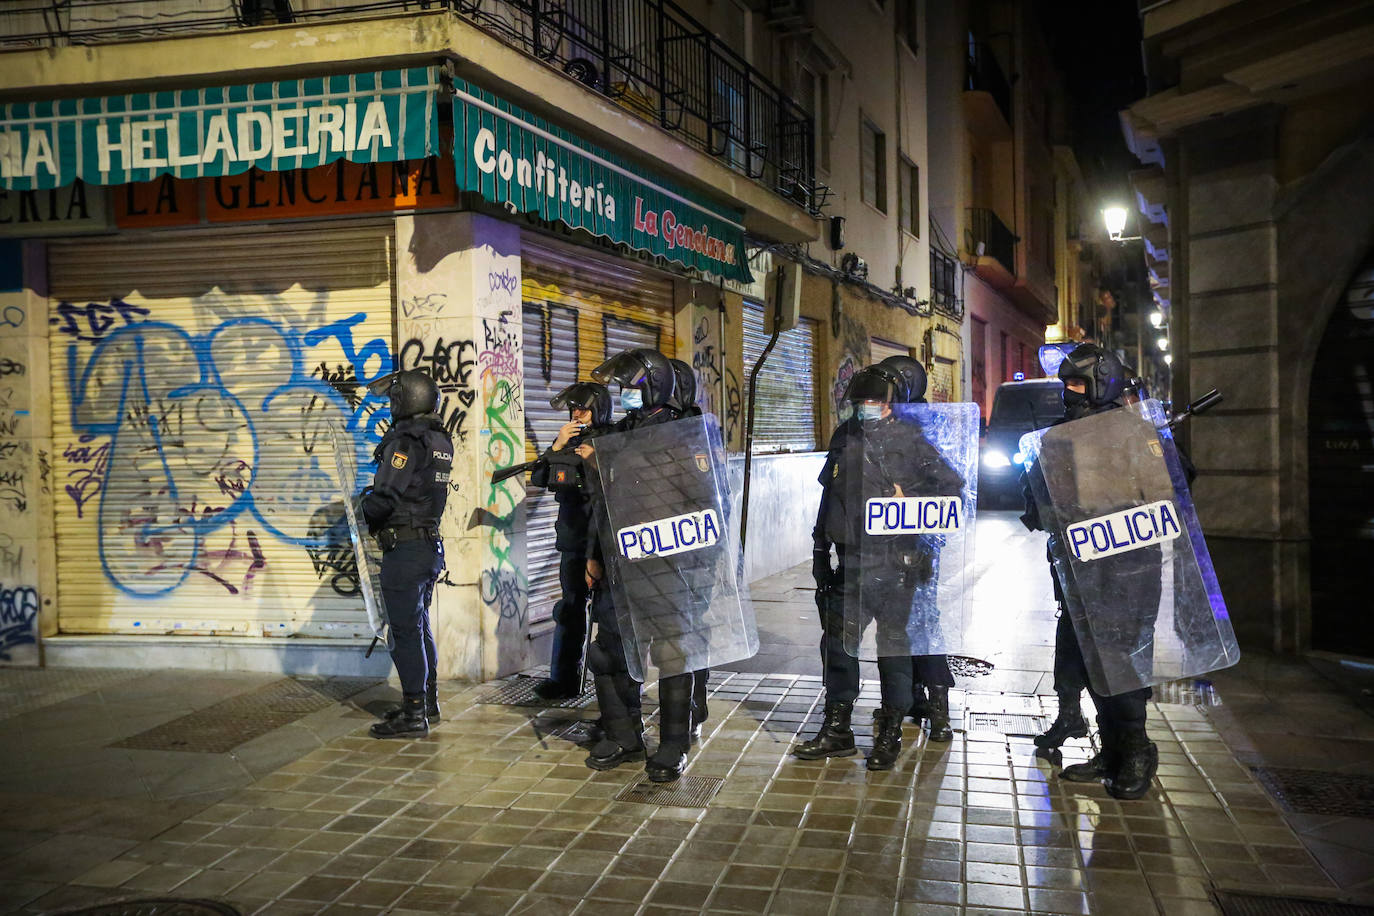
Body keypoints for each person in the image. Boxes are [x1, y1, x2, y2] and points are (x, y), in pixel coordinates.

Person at [1022, 343, 1188, 799]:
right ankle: (1111, 750)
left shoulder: (1136, 432)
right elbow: (1035, 503)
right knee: (1092, 664)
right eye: (1066, 385)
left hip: (1128, 571)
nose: (1071, 393)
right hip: (1079, 571)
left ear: (1102, 384)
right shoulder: (1057, 436)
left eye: (1079, 384)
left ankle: (1135, 750)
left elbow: (1172, 494)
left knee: (1125, 662)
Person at [796, 364, 964, 770]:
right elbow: (828, 497)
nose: (867, 408)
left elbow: (953, 492)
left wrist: (912, 505)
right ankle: (837, 728)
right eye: (861, 402)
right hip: (851, 562)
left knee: (894, 651)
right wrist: (820, 552)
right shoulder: (845, 437)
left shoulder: (913, 441)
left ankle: (890, 731)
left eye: (876, 402)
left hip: (896, 565)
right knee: (837, 646)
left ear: (893, 405)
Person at [577, 348, 688, 778]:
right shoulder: (616, 435)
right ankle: (623, 735)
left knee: (673, 655)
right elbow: (599, 504)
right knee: (608, 653)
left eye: (631, 387)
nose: (623, 394)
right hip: (618, 562)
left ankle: (674, 744)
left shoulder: (683, 434)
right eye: (621, 388)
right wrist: (592, 553)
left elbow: (706, 504)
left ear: (654, 387)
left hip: (666, 565)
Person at [361, 369, 454, 740]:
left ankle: (414, 713)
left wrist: (361, 509)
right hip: (428, 544)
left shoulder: (405, 441)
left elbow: (385, 499)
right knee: (419, 626)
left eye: (392, 398)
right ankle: (427, 701)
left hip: (406, 547)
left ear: (405, 400)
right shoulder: (438, 439)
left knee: (404, 631)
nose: (389, 403)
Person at [879, 354, 956, 742]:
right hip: (880, 546)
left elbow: (952, 486)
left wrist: (910, 501)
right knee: (896, 626)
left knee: (923, 622)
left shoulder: (925, 429)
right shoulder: (879, 427)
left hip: (918, 545)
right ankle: (908, 698)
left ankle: (939, 707)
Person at [529, 382, 614, 700]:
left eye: (583, 408)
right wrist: (557, 445)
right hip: (573, 541)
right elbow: (539, 477)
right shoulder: (570, 440)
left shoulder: (615, 439)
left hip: (605, 543)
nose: (577, 414)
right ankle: (564, 678)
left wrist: (597, 460)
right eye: (573, 409)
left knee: (608, 615)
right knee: (570, 609)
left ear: (599, 408)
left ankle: (613, 686)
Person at [667, 358, 711, 745]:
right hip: (661, 558)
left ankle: (694, 706)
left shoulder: (694, 435)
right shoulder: (655, 432)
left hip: (693, 556)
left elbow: (709, 502)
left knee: (689, 634)